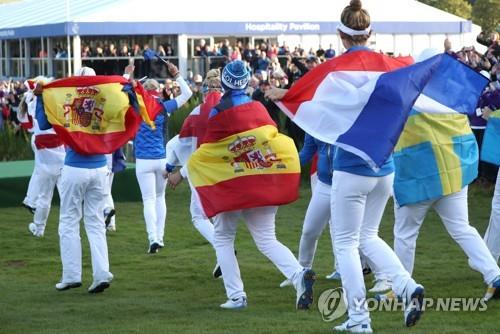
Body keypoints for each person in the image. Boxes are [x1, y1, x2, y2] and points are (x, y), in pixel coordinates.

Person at [266, 1, 424, 332]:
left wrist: (279, 93)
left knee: (347, 243)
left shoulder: (334, 71)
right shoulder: (392, 66)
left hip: (351, 169)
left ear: (341, 34)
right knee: (368, 236)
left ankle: (359, 320)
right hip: (384, 168)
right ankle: (407, 286)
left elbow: (303, 94)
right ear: (371, 33)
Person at [167, 60, 315, 310]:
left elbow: (211, 151)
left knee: (224, 237)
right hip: (262, 179)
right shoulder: (258, 108)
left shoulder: (218, 112)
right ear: (246, 82)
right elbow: (269, 138)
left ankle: (237, 296)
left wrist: (183, 173)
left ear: (225, 82)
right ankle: (298, 275)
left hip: (233, 184)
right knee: (267, 239)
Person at [392, 48, 500, 304]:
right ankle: (494, 275)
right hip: (452, 174)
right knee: (462, 228)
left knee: (406, 234)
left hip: (418, 175)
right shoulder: (455, 94)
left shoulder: (408, 94)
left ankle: (402, 287)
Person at [35, 66, 113, 293]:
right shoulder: (106, 101)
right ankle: (101, 273)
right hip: (100, 168)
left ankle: (71, 275)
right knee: (95, 222)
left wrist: (40, 98)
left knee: (69, 221)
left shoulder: (66, 100)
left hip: (75, 168)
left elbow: (43, 123)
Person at [134, 62, 192, 253]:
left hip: (143, 160)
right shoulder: (163, 106)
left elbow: (118, 94)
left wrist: (129, 80)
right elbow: (187, 94)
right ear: (157, 91)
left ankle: (152, 238)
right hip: (161, 159)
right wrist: (176, 75)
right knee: (160, 198)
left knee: (148, 200)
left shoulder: (135, 106)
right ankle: (160, 237)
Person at [19, 78, 65, 237]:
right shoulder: (56, 103)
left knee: (45, 196)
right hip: (61, 154)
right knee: (66, 197)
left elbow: (25, 120)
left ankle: (39, 229)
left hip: (45, 154)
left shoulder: (32, 103)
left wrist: (34, 92)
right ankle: (65, 229)